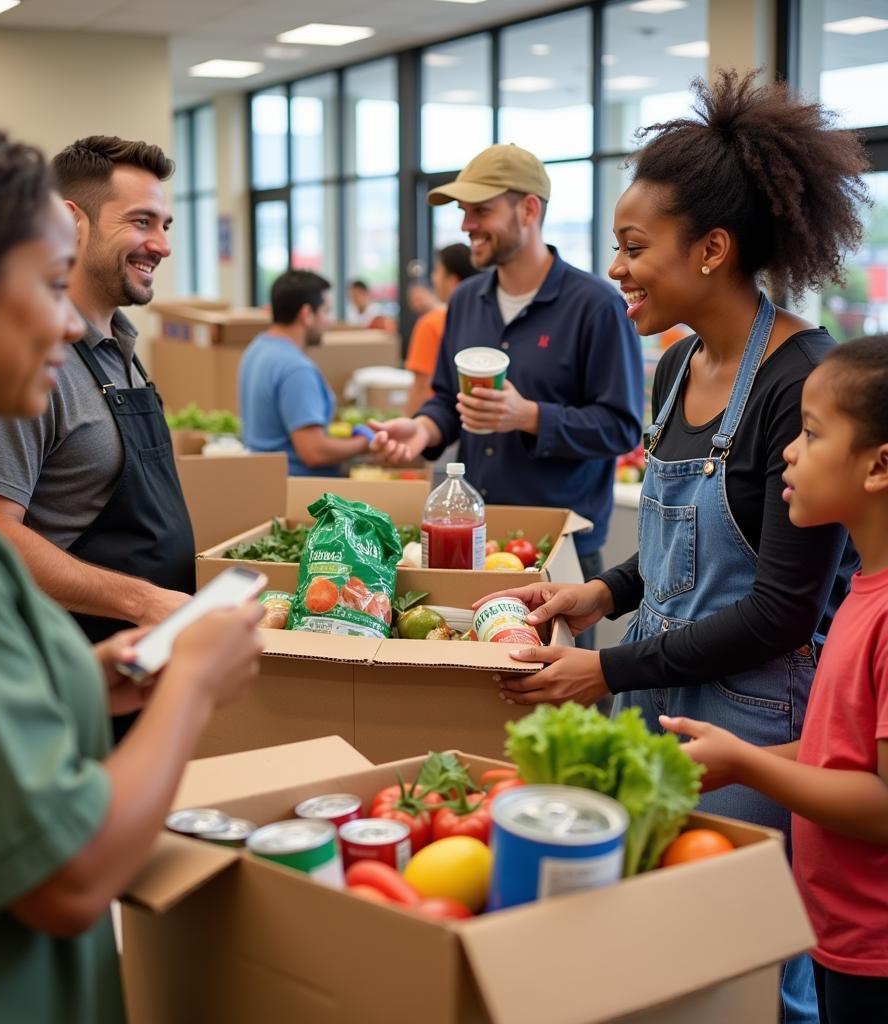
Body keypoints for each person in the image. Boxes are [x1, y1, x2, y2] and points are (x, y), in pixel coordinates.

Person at [477, 71, 869, 1022]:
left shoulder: (799, 383)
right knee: (658, 966)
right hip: (656, 699)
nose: (617, 266)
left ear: (713, 249)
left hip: (750, 729)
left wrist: (603, 676)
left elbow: (776, 609)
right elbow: (673, 548)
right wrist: (599, 597)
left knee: (740, 973)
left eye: (634, 246)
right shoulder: (678, 363)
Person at [0, 100, 263, 1024]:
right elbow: (65, 876)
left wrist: (91, 679)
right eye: (47, 285)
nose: (72, 326)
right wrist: (194, 685)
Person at [661, 336, 888, 1024]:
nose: (789, 450)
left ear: (879, 466)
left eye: (812, 435)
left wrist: (747, 767)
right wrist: (738, 762)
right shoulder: (861, 589)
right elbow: (836, 755)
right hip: (840, 936)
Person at [0, 134, 194, 741]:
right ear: (71, 222)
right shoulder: (33, 369)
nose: (161, 245)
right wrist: (142, 601)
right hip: (65, 689)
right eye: (141, 221)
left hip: (135, 670)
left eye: (164, 223)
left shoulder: (126, 352)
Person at [371, 142, 644, 646]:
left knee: (558, 703)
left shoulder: (595, 307)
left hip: (558, 556)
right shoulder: (465, 303)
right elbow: (445, 402)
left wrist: (530, 416)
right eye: (462, 212)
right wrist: (423, 428)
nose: (466, 225)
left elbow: (622, 428)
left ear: (528, 209)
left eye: (481, 210)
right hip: (475, 545)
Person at [239, 269, 371, 476]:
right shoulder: (296, 369)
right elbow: (314, 452)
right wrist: (364, 443)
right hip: (301, 492)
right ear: (307, 314)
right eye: (326, 311)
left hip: (266, 480)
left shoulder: (257, 348)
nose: (329, 322)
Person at [403, 243, 478, 415]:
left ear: (453, 280)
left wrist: (408, 421)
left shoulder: (431, 324)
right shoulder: (485, 320)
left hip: (436, 422)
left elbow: (421, 388)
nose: (433, 278)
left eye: (437, 271)